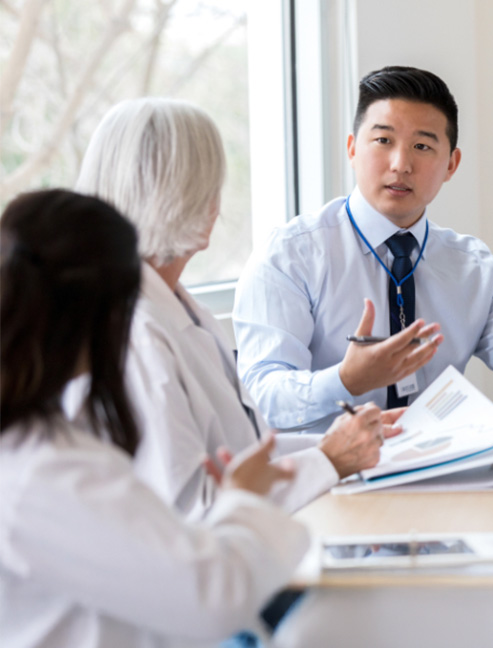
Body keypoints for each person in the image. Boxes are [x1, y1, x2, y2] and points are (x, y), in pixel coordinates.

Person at [0, 189, 311, 647]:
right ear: (104, 311)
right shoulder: (48, 474)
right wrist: (243, 501)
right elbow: (215, 598)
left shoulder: (38, 444)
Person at [233, 66, 493, 434]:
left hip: (444, 471)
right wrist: (344, 380)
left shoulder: (475, 269)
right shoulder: (290, 256)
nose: (401, 165)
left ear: (451, 164)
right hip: (327, 480)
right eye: (383, 141)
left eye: (422, 146)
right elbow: (262, 394)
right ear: (352, 148)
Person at [73, 98, 399, 519]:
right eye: (211, 185)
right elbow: (192, 508)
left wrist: (344, 441)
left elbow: (241, 450)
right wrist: (329, 460)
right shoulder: (136, 334)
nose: (217, 204)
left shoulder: (177, 306)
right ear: (182, 195)